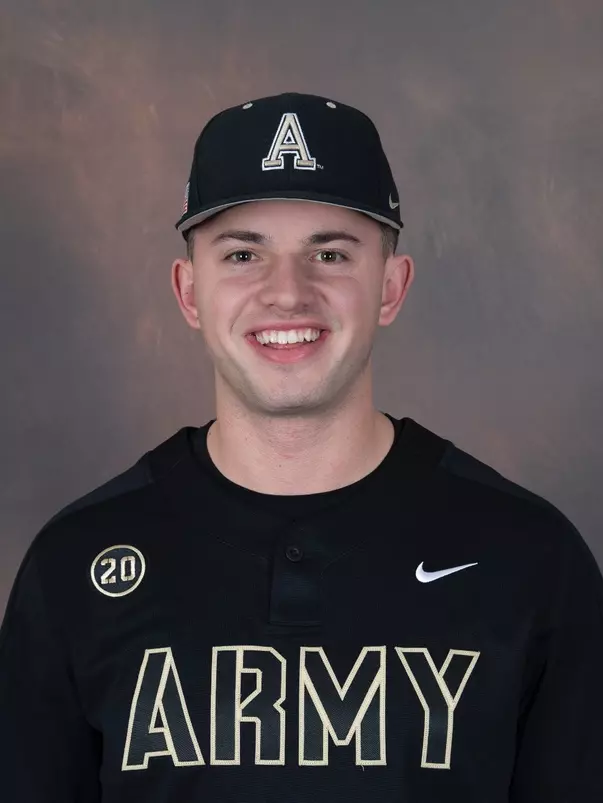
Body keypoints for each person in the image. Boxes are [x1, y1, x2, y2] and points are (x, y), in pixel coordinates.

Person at [1, 92, 602, 803]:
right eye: (243, 253)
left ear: (390, 285)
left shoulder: (528, 556)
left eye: (329, 251)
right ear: (189, 292)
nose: (287, 293)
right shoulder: (77, 560)